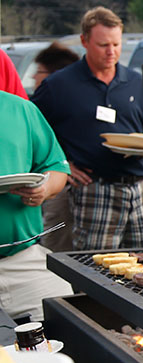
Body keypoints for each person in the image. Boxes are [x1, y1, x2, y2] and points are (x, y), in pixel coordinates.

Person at [32, 7, 143, 250]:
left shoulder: (136, 81)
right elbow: (34, 133)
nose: (111, 52)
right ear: (84, 41)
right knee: (96, 268)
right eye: (103, 45)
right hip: (95, 189)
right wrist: (64, 165)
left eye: (117, 44)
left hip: (142, 187)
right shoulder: (59, 85)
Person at [1, 91, 74, 322]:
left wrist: (43, 189)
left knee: (69, 322)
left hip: (22, 260)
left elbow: (55, 167)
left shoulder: (20, 109)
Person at [31, 42, 80, 252]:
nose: (34, 78)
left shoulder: (54, 96)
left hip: (63, 190)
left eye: (39, 71)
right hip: (55, 186)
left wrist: (63, 167)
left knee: (57, 248)